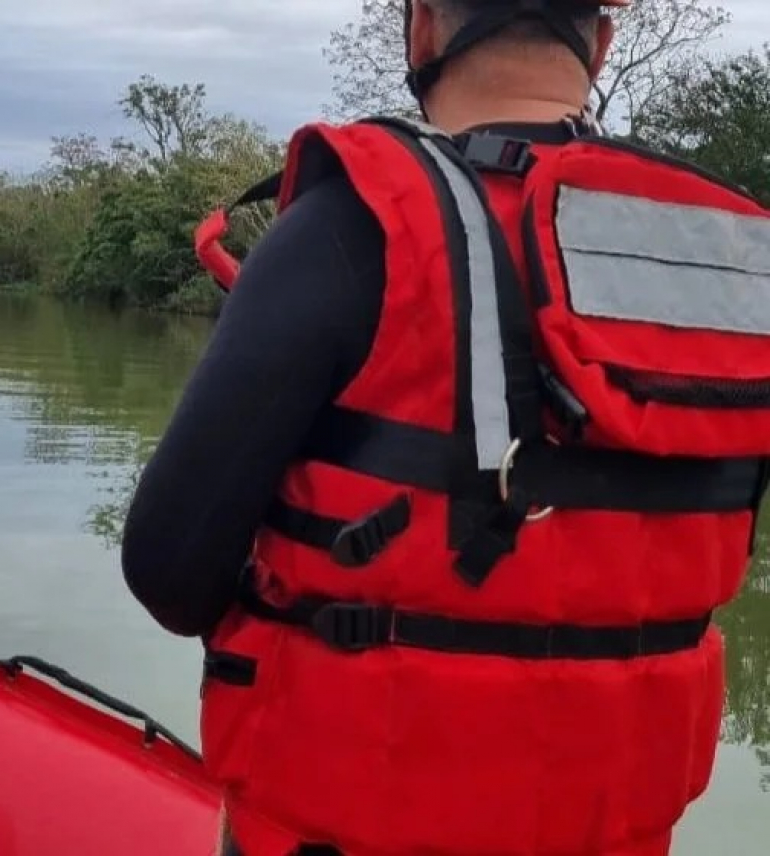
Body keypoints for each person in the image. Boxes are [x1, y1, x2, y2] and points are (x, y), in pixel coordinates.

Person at [120, 1, 770, 854]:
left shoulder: (345, 225)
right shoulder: (732, 268)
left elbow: (169, 571)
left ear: (421, 29)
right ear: (601, 45)